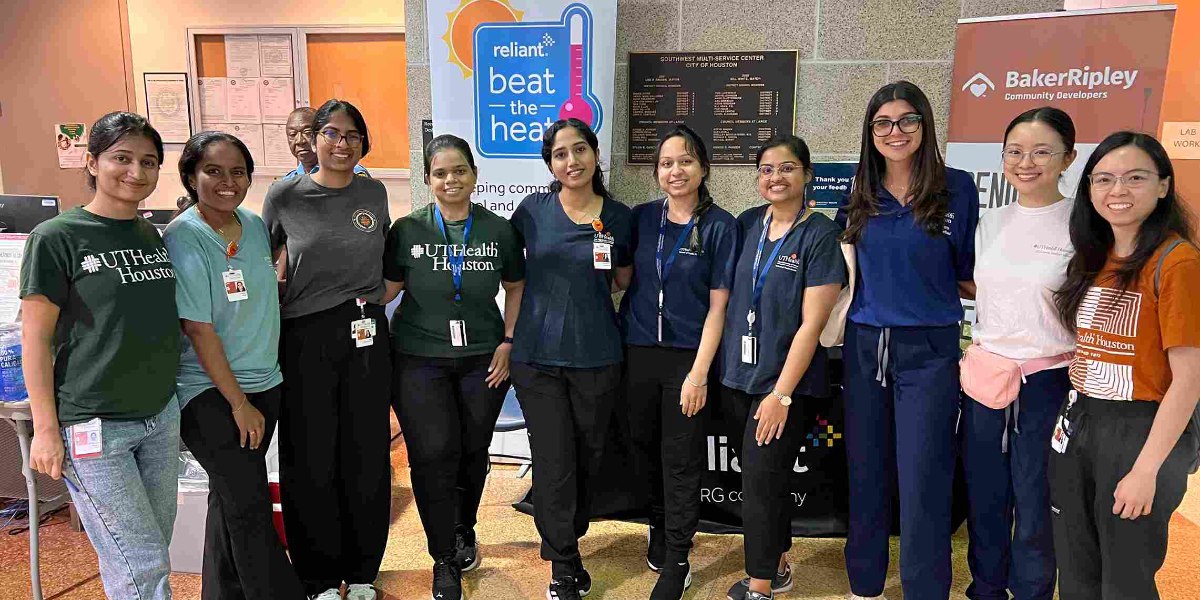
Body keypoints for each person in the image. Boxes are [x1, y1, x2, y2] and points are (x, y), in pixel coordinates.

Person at [21, 111, 180, 599]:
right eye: (122, 158)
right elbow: (36, 339)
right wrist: (46, 430)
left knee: (144, 551)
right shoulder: (56, 238)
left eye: (148, 162)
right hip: (94, 427)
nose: (136, 172)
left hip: (158, 417)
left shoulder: (152, 234)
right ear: (92, 162)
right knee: (141, 561)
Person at [838, 81, 979, 600]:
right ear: (870, 133)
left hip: (931, 352)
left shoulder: (958, 188)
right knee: (866, 473)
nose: (895, 132)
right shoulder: (858, 193)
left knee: (924, 479)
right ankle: (866, 585)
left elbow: (969, 273)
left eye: (907, 120)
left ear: (925, 125)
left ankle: (925, 589)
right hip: (865, 347)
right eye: (883, 123)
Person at [1050, 131, 1200, 599]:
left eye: (1135, 178)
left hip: (1141, 429)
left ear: (1162, 185)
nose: (1118, 191)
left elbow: (1189, 379)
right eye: (1104, 179)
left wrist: (1145, 470)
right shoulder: (1094, 256)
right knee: (1075, 571)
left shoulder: (1178, 262)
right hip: (1079, 419)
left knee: (1125, 579)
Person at [383, 134, 526, 600]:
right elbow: (385, 290)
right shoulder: (407, 230)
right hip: (418, 357)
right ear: (428, 179)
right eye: (440, 173)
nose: (451, 180)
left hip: (482, 359)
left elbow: (516, 286)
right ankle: (442, 556)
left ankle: (465, 527)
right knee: (432, 455)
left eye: (459, 170)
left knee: (471, 451)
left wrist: (508, 340)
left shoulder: (499, 230)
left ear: (474, 176)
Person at [164, 131, 305, 599]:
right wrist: (238, 402)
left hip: (265, 382)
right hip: (211, 392)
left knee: (228, 499)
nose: (228, 181)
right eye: (213, 171)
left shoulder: (252, 223)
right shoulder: (185, 236)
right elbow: (199, 329)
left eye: (238, 172)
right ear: (190, 176)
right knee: (249, 507)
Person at [263, 99, 394, 600]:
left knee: (364, 451)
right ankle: (317, 575)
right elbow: (262, 259)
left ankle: (362, 571)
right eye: (332, 134)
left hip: (365, 330)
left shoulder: (374, 192)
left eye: (353, 135)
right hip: (305, 335)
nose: (343, 144)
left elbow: (383, 255)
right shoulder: (285, 195)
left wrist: (376, 300)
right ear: (313, 139)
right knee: (310, 454)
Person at [509, 118, 633, 600]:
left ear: (596, 155)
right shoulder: (532, 211)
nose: (571, 161)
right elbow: (510, 275)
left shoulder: (620, 217)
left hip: (597, 355)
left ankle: (563, 535)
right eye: (560, 154)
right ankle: (563, 563)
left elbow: (622, 279)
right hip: (537, 358)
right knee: (555, 458)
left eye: (579, 150)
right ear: (550, 165)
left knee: (588, 456)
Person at [720, 135, 845, 600]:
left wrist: (780, 395)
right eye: (767, 169)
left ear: (807, 175)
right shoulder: (748, 224)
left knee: (760, 485)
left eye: (788, 168)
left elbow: (813, 325)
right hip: (737, 375)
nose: (776, 177)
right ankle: (781, 563)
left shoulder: (821, 235)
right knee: (763, 480)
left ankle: (760, 586)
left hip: (784, 386)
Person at [960, 107, 1077, 600]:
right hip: (986, 379)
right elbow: (977, 288)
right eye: (1015, 151)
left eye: (1042, 151)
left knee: (1036, 501)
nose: (1026, 162)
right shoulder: (990, 221)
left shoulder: (1083, 224)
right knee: (985, 498)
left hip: (1048, 383)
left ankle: (1031, 591)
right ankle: (985, 588)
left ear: (1068, 158)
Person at [617, 125, 738, 600]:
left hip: (689, 359)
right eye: (666, 163)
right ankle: (659, 526)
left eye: (685, 160)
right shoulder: (642, 218)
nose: (676, 170)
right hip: (639, 353)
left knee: (682, 461)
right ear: (656, 173)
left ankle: (679, 558)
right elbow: (622, 277)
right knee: (645, 451)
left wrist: (699, 373)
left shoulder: (720, 225)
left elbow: (719, 307)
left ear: (703, 167)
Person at [281, 106, 369, 179]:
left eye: (307, 133)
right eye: (292, 134)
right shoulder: (287, 183)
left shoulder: (352, 174)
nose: (299, 141)